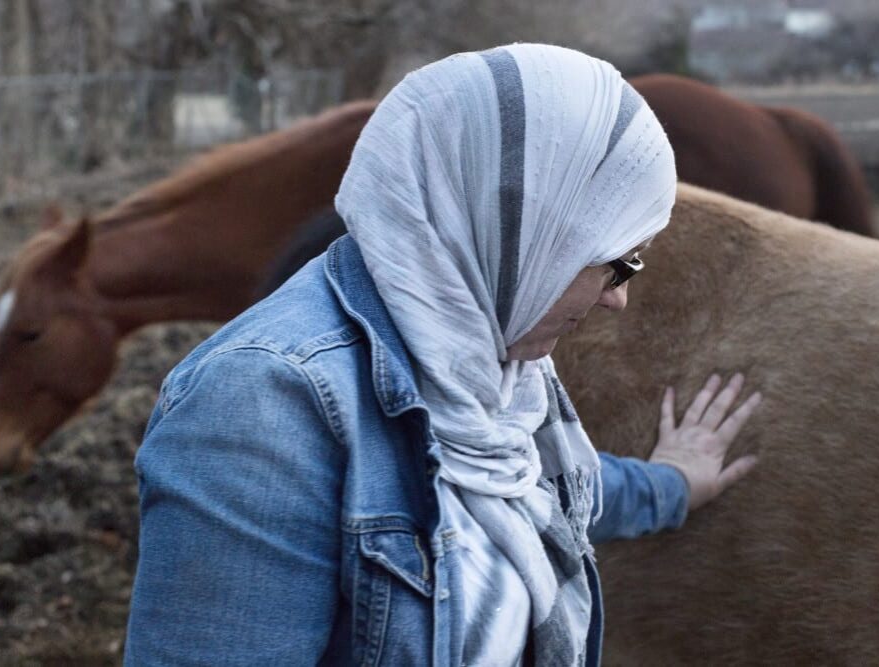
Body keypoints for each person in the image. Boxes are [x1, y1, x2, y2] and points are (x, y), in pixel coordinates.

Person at [124, 44, 761, 666]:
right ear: (527, 231)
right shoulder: (259, 403)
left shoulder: (485, 355)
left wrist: (673, 485)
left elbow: (537, 488)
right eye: (618, 265)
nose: (616, 301)